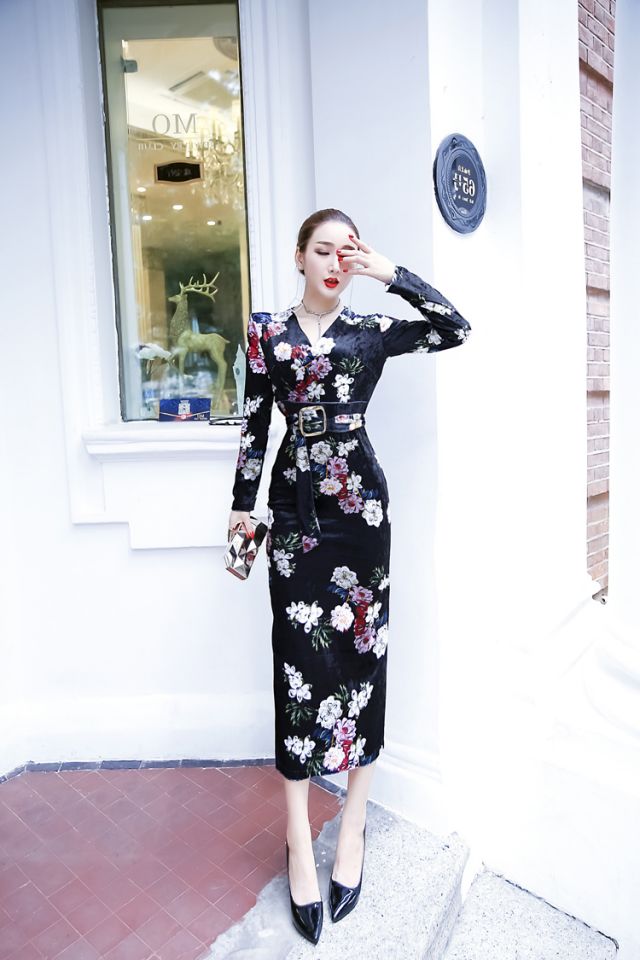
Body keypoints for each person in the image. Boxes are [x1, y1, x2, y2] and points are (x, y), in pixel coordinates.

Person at [227, 208, 471, 943]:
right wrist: (241, 509)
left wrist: (388, 271)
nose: (336, 263)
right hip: (295, 514)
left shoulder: (371, 331)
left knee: (363, 662)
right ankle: (299, 839)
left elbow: (454, 327)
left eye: (348, 252)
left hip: (361, 511)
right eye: (324, 250)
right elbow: (254, 426)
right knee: (297, 667)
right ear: (299, 256)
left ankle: (354, 822)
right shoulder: (267, 333)